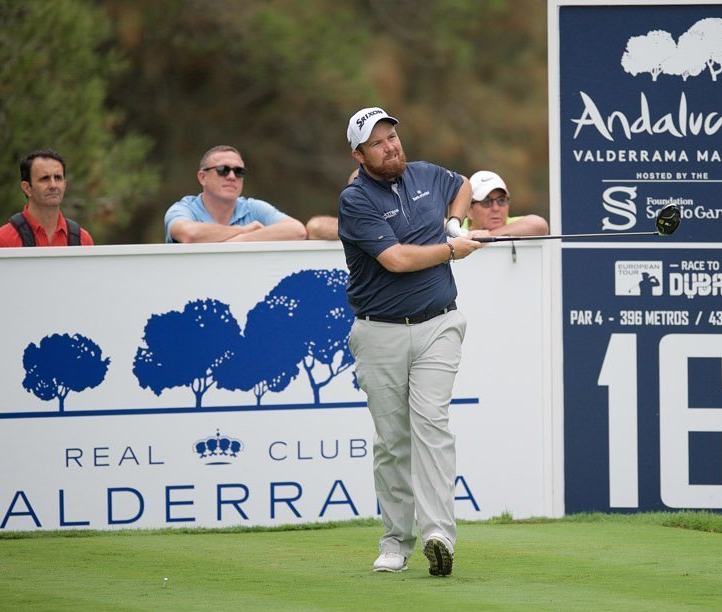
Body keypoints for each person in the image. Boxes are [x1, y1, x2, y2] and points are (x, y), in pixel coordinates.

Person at [338, 107, 482, 577]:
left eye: (393, 137)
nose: (392, 146)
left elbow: (463, 185)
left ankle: (439, 534)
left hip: (439, 323)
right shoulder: (356, 199)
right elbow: (396, 259)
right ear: (359, 155)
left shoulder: (425, 175)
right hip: (379, 330)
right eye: (378, 143)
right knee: (394, 441)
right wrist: (450, 249)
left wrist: (456, 222)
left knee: (432, 426)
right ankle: (395, 540)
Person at [164, 145, 307, 242]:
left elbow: (297, 230)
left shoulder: (253, 208)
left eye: (239, 171)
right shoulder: (183, 209)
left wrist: (240, 240)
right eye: (223, 170)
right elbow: (190, 234)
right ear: (203, 178)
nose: (232, 176)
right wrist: (243, 229)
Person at [0, 149, 95, 247]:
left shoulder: (83, 240)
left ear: (65, 184)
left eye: (58, 178)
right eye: (44, 179)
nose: (53, 185)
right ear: (27, 188)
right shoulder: (4, 241)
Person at [462, 170, 549, 238]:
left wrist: (489, 235)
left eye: (502, 200)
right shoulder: (457, 234)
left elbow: (540, 225)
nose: (496, 208)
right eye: (486, 202)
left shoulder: (512, 224)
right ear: (469, 210)